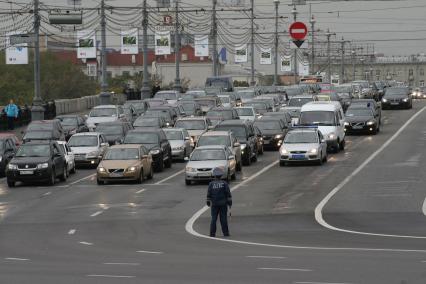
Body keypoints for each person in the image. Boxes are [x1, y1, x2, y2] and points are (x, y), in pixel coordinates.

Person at [206, 167, 232, 237]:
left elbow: (209, 194)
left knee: (214, 219)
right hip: (223, 204)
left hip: (214, 204)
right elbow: (228, 194)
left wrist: (208, 201)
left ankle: (212, 233)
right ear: (221, 175)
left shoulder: (211, 184)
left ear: (214, 175)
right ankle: (226, 233)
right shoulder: (224, 183)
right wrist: (230, 203)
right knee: (223, 219)